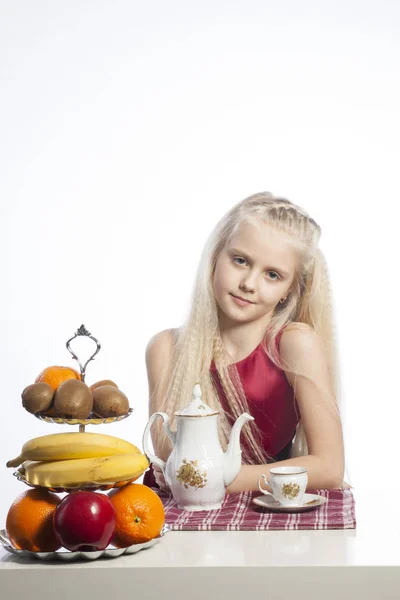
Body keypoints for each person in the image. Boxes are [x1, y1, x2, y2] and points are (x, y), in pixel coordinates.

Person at [143, 191, 349, 494]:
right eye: (240, 260)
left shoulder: (295, 345)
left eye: (272, 275)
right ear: (215, 256)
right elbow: (165, 458)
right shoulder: (166, 349)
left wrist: (224, 478)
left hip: (269, 520)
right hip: (183, 521)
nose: (249, 284)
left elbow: (330, 468)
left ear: (289, 291)